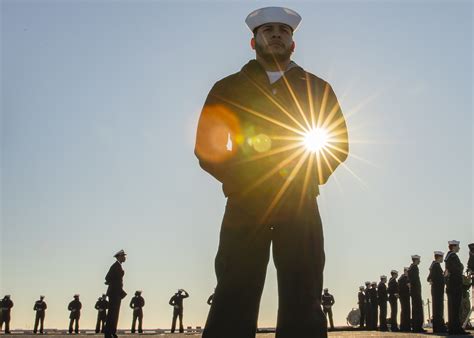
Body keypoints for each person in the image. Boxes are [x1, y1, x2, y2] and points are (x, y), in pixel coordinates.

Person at [195, 6, 349, 338]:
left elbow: (338, 143)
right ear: (254, 42)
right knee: (234, 289)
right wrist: (241, 182)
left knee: (304, 290)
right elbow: (207, 146)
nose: (276, 34)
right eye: (267, 30)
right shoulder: (229, 87)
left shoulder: (316, 87)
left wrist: (308, 178)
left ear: (293, 42)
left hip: (300, 203)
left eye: (284, 30)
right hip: (245, 205)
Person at [445, 240, 470, 335]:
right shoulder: (453, 256)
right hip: (455, 285)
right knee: (455, 308)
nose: (459, 248)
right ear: (454, 246)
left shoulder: (449, 257)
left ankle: (453, 328)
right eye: (458, 246)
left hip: (452, 285)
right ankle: (456, 328)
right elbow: (456, 271)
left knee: (453, 308)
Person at [104, 249, 127, 338]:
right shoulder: (115, 266)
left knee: (115, 313)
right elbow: (107, 277)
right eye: (123, 256)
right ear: (119, 257)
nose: (125, 258)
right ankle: (108, 333)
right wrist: (112, 283)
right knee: (112, 314)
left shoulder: (118, 266)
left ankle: (112, 331)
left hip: (116, 293)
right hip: (114, 293)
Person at [427, 251, 447, 333]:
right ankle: (439, 327)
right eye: (442, 257)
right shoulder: (436, 266)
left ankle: (437, 327)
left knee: (436, 308)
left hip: (435, 289)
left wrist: (431, 280)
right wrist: (445, 276)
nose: (442, 259)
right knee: (438, 308)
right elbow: (439, 279)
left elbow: (429, 278)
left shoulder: (433, 265)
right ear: (439, 257)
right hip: (438, 289)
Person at [408, 255, 426, 333]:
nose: (419, 261)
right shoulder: (414, 268)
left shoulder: (411, 268)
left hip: (414, 291)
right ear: (416, 260)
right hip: (416, 291)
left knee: (416, 309)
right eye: (419, 260)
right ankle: (417, 327)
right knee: (417, 309)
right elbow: (414, 280)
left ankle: (417, 326)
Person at [398, 267, 411, 332]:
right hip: (404, 296)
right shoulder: (404, 278)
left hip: (404, 296)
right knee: (405, 311)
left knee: (404, 311)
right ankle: (405, 326)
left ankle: (404, 326)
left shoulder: (401, 278)